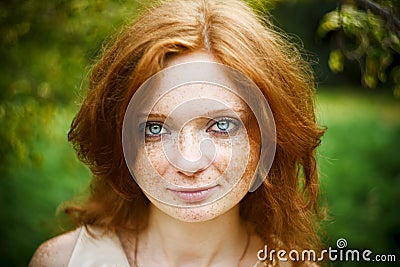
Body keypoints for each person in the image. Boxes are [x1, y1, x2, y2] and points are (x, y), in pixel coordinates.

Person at [29, 0, 325, 266]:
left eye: (222, 125)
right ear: (122, 141)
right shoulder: (62, 261)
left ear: (270, 134)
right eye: (155, 129)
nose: (189, 162)